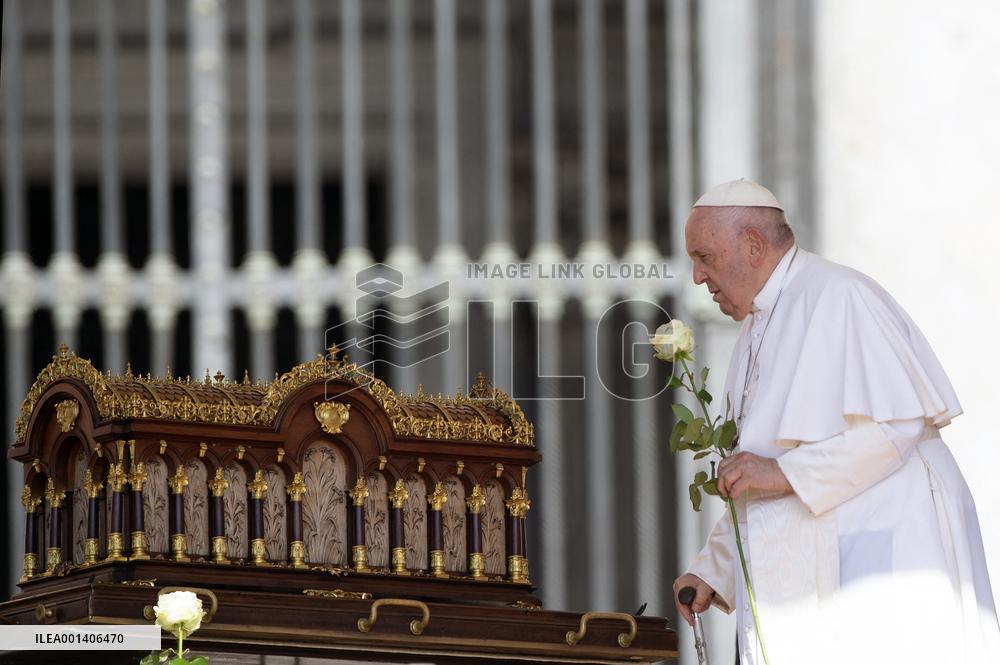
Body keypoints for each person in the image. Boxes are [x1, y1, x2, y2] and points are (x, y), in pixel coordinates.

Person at [672, 179, 1000, 664]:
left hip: (883, 555)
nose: (697, 277)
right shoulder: (754, 332)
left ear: (753, 245)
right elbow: (761, 472)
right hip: (823, 567)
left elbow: (896, 427)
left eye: (704, 257)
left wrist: (783, 474)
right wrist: (714, 569)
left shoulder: (839, 295)